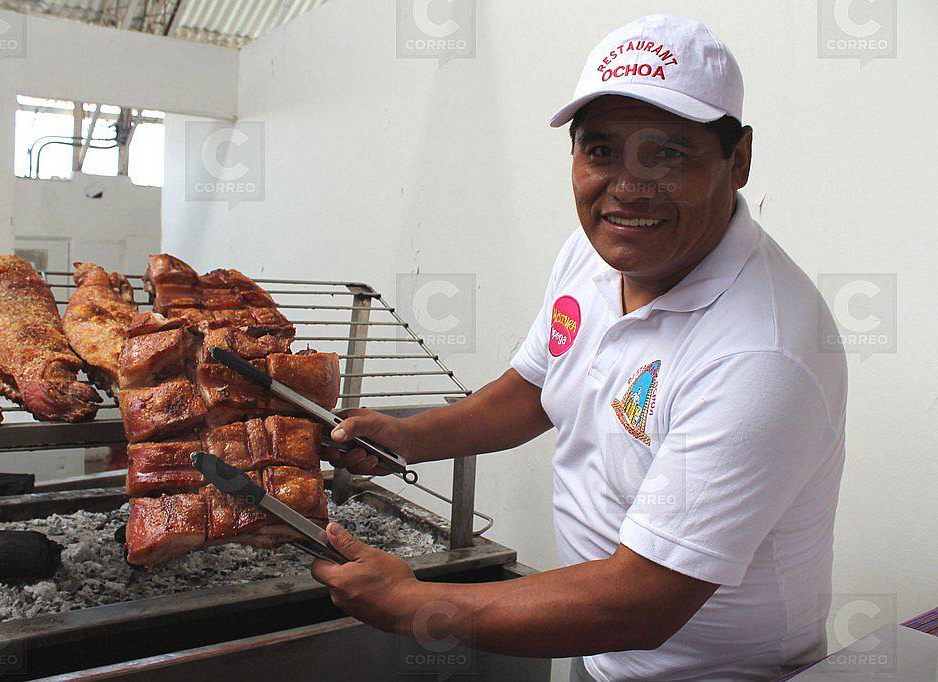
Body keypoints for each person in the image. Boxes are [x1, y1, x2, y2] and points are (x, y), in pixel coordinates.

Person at [312, 14, 847, 680]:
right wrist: (406, 438)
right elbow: (535, 387)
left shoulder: (762, 355)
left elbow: (643, 602)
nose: (626, 187)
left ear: (737, 161)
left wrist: (415, 604)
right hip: (599, 654)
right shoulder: (598, 256)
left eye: (667, 154)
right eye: (601, 152)